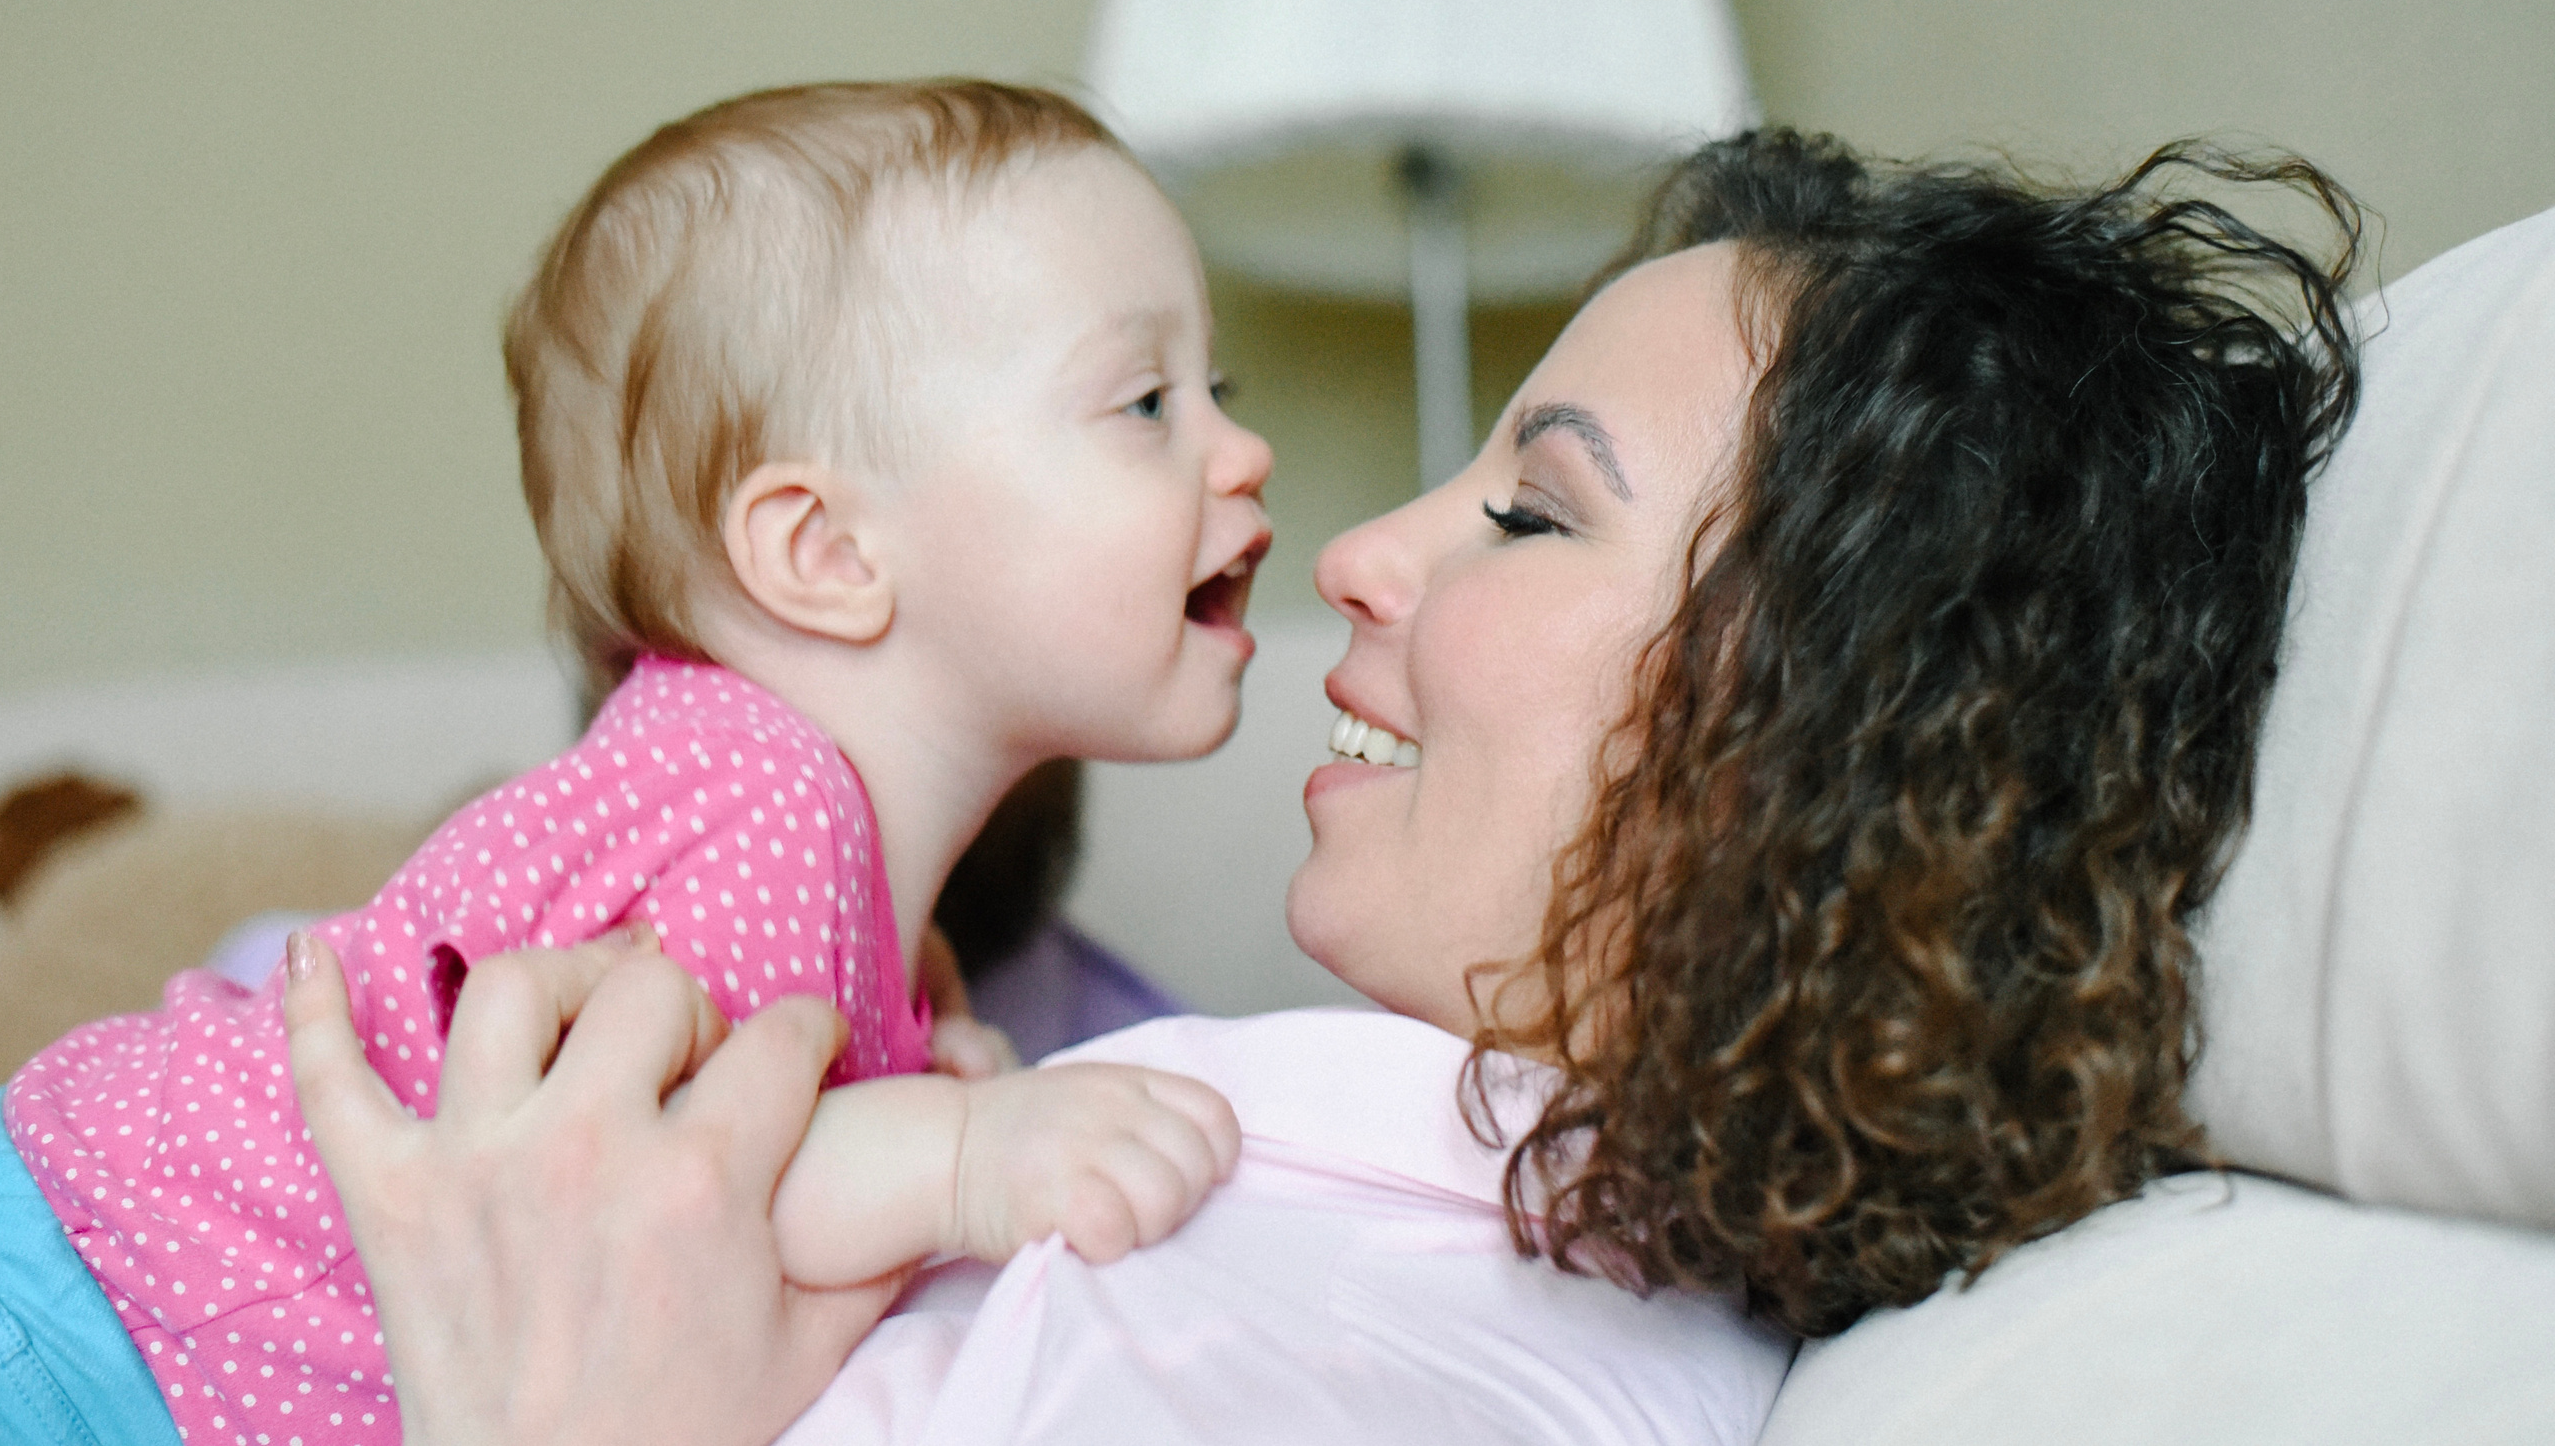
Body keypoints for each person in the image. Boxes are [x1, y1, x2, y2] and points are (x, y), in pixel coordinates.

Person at [298, 127, 2359, 1445]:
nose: (1358, 546)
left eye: (1533, 517)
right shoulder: (1332, 1191)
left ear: (1824, 758)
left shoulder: (1383, 1370)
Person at [0, 81, 1276, 1446]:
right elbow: (649, 1208)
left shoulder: (834, 869)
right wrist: (968, 1156)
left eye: (1220, 389)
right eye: (1146, 401)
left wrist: (921, 1096)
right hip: (96, 1313)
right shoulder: (764, 791)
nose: (1243, 449)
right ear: (827, 552)